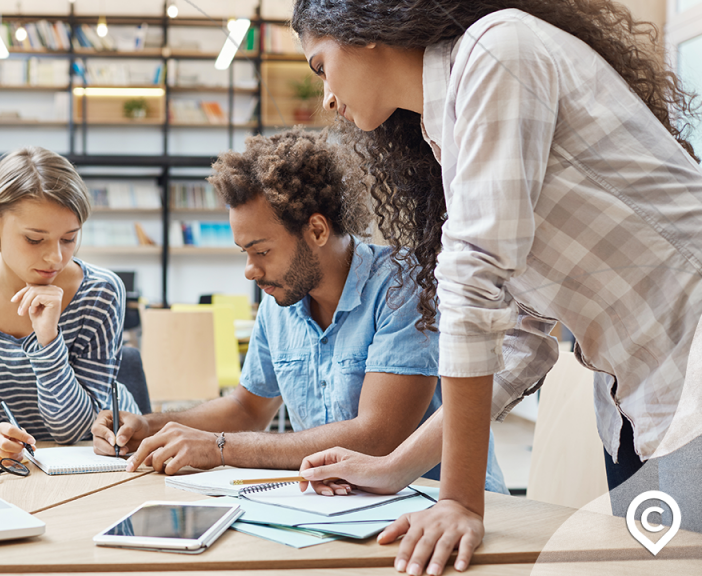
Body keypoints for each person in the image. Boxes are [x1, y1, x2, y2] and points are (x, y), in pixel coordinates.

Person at [290, 1, 702, 574]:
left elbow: (473, 277)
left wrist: (458, 499)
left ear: (362, 33)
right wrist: (396, 467)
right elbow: (519, 339)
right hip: (637, 400)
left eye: (319, 65)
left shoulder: (495, 50)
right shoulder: (450, 128)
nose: (327, 96)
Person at [90, 128, 507, 494]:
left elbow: (377, 436)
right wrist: (152, 426)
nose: (251, 270)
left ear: (317, 230)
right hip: (342, 505)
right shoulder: (282, 299)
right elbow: (248, 408)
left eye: (261, 251)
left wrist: (219, 447)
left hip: (434, 501)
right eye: (245, 253)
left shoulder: (401, 285)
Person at [0, 147, 140, 463]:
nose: (56, 258)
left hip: (90, 458)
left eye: (69, 238)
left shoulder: (101, 292)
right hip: (6, 461)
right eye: (35, 239)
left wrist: (48, 340)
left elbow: (72, 430)